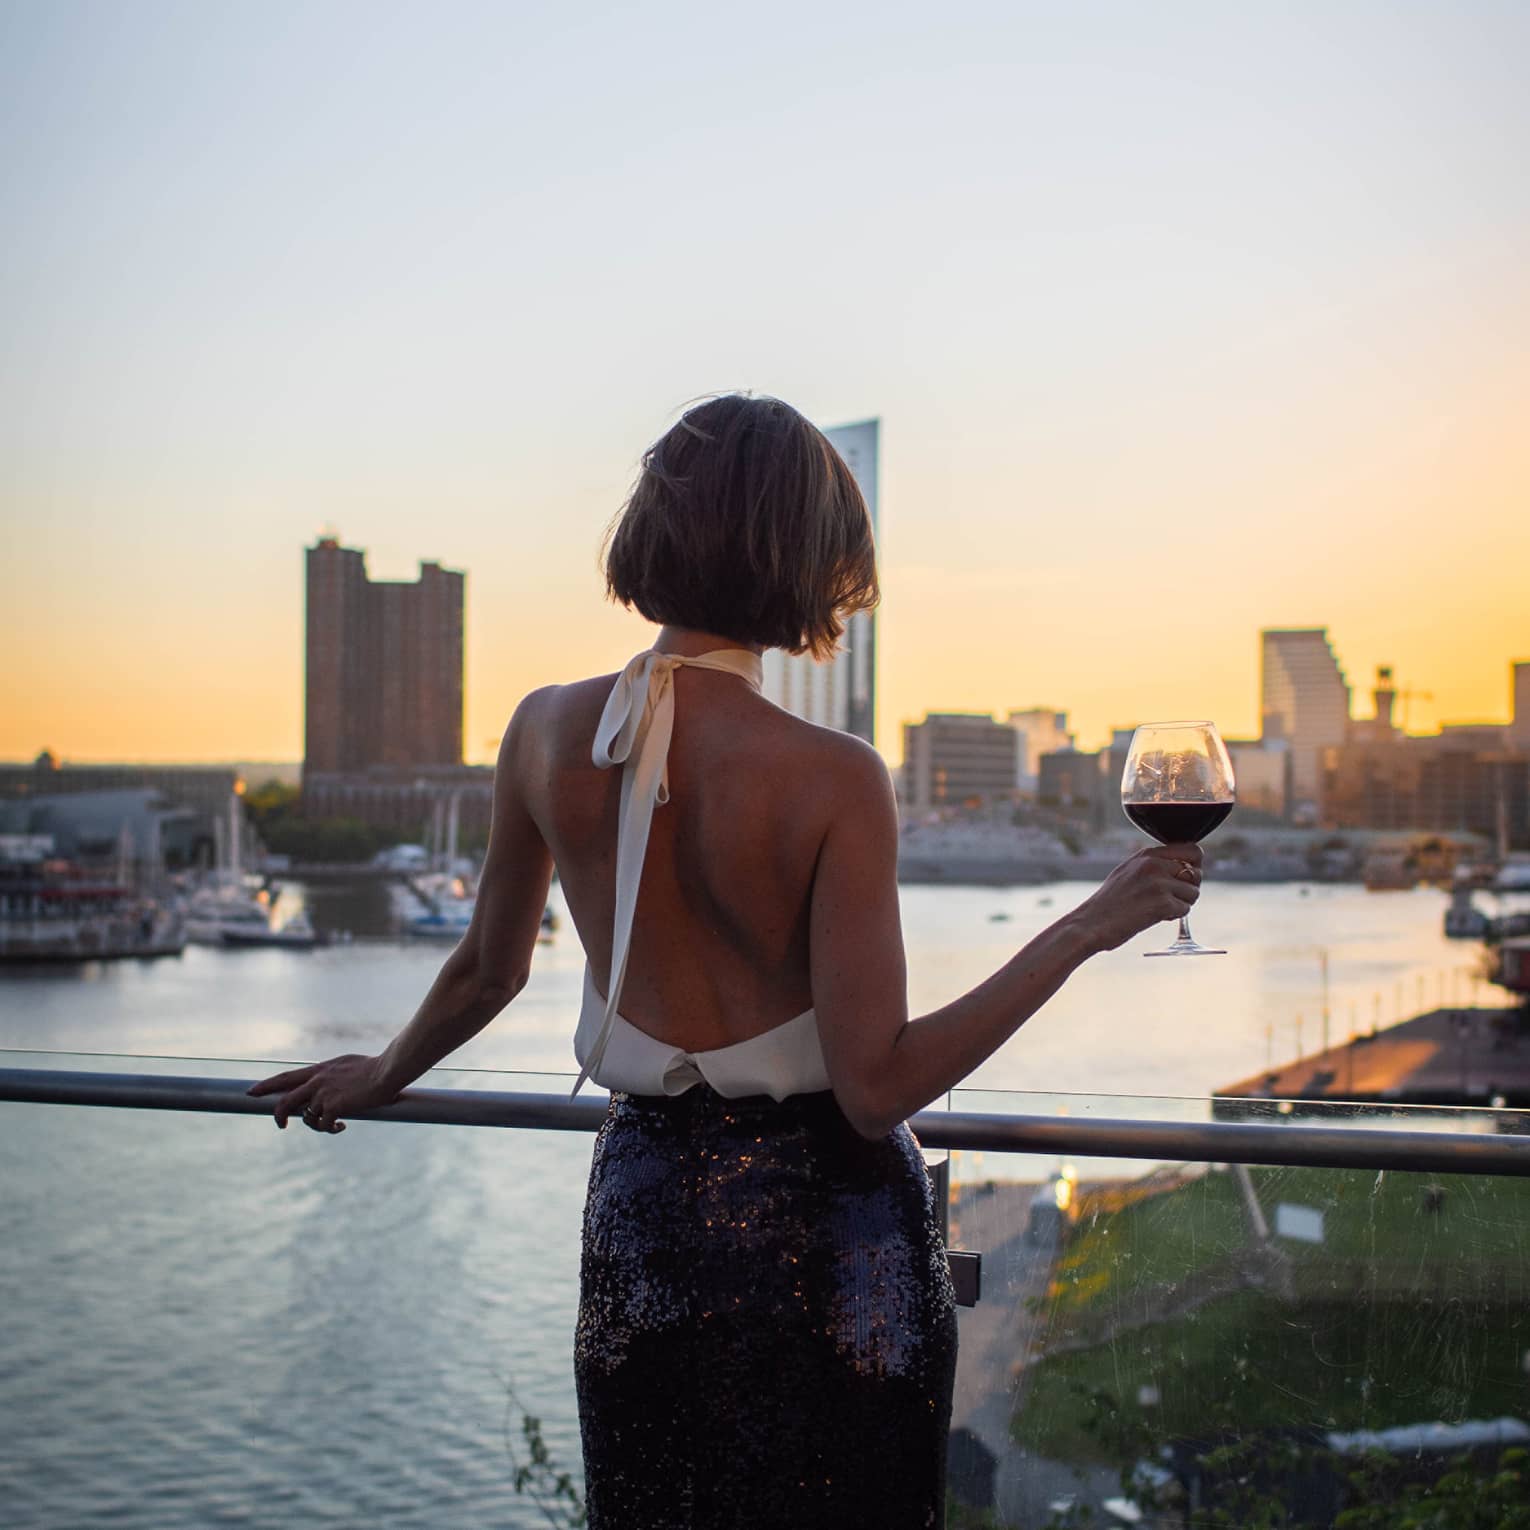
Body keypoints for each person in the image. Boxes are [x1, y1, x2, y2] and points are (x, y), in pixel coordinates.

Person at [248, 393, 1203, 1528]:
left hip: (642, 1212)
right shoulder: (834, 775)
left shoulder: (541, 730)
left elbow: (488, 973)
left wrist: (379, 1074)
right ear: (807, 560)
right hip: (833, 1234)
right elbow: (877, 1089)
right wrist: (1090, 926)